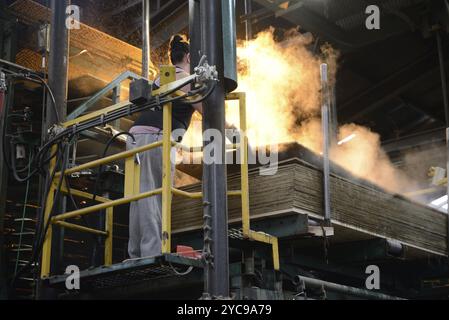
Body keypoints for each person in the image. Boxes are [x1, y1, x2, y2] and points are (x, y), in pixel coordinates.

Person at [127, 35, 202, 259]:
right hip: (156, 138)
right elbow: (210, 111)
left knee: (138, 195)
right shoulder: (187, 78)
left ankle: (136, 252)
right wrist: (236, 134)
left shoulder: (162, 77)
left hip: (135, 136)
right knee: (155, 194)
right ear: (188, 56)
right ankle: (152, 253)